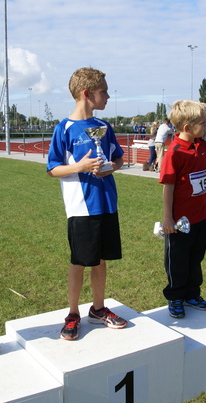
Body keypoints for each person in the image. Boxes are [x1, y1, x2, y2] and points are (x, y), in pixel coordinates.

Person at [46, 67, 127, 341]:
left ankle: (98, 308)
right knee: (79, 261)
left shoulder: (104, 127)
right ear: (86, 93)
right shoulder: (65, 128)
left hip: (106, 204)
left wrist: (110, 168)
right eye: (103, 91)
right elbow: (52, 169)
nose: (107, 96)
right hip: (81, 207)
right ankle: (72, 313)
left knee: (100, 259)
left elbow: (118, 159)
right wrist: (80, 167)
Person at [159, 100, 206, 319]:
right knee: (177, 260)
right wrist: (167, 218)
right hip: (180, 222)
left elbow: (204, 179)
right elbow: (168, 188)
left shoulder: (201, 145)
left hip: (201, 217)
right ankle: (175, 297)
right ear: (186, 128)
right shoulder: (174, 153)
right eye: (202, 122)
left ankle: (192, 294)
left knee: (195, 258)